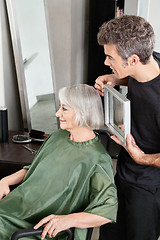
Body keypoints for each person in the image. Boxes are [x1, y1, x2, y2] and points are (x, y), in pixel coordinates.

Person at [0, 84, 117, 240]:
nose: (57, 113)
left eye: (64, 109)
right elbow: (35, 168)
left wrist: (68, 220)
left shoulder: (97, 159)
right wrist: (5, 180)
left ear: (83, 111)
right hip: (20, 207)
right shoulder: (58, 136)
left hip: (42, 226)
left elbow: (108, 210)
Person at [94, 15, 160, 240]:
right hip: (123, 170)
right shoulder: (151, 60)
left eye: (109, 58)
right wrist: (114, 78)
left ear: (132, 60)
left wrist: (142, 158)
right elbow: (139, 78)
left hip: (147, 188)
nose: (105, 62)